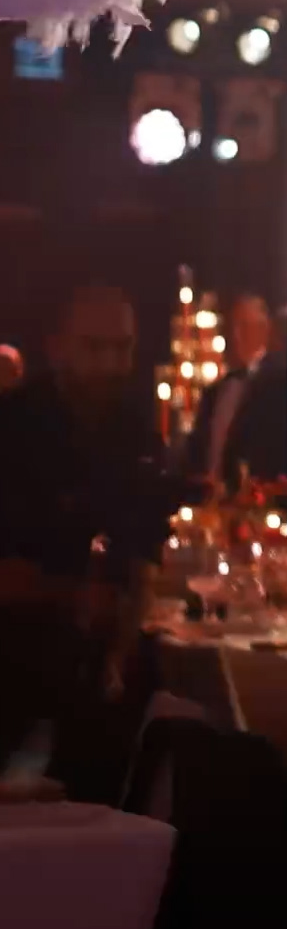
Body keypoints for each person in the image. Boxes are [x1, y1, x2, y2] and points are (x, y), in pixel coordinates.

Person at [0, 285, 191, 791]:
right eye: (93, 347)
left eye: (121, 348)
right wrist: (74, 595)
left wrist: (122, 642)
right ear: (55, 347)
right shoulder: (11, 430)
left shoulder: (136, 434)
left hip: (99, 679)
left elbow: (143, 551)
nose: (110, 364)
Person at [185, 291, 287, 491]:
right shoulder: (214, 392)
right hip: (209, 502)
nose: (235, 336)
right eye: (232, 327)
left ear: (264, 330)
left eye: (244, 327)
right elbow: (196, 452)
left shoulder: (279, 387)